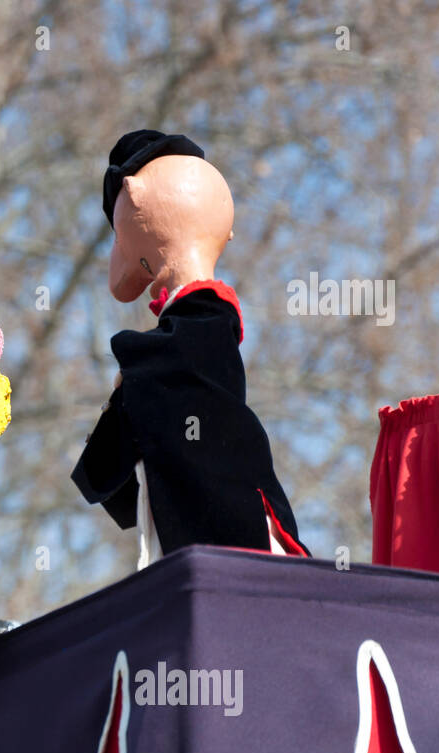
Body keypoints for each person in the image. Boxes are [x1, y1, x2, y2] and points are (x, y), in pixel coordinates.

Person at [72, 130, 309, 568]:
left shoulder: (199, 322)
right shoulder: (197, 328)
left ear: (136, 201)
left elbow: (162, 394)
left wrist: (131, 381)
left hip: (228, 531)